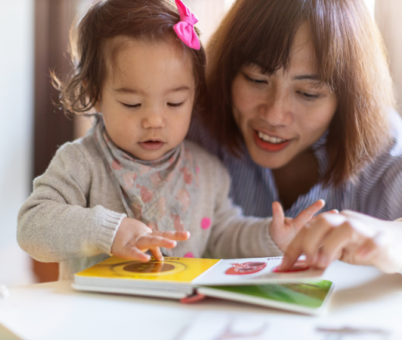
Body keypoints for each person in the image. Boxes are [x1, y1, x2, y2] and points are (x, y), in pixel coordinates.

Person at [17, 0, 323, 280]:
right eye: (132, 104)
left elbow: (223, 236)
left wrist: (271, 236)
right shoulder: (81, 163)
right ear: (94, 94)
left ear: (194, 95)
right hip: (97, 319)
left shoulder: (206, 171)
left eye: (174, 103)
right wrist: (110, 231)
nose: (154, 120)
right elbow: (32, 226)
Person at [188, 0, 402, 277]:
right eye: (256, 79)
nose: (275, 115)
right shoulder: (188, 120)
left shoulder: (378, 138)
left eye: (308, 94)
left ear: (347, 98)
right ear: (229, 72)